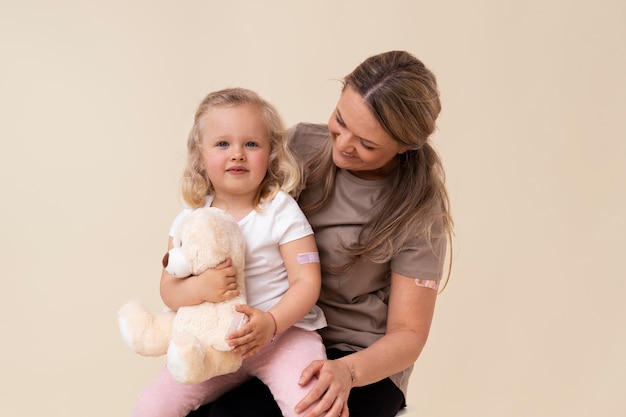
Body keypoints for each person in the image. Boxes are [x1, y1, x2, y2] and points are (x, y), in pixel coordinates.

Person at [188, 50, 454, 417]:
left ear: (405, 146)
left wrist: (347, 372)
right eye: (340, 121)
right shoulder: (299, 148)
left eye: (367, 143)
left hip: (357, 359)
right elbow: (233, 209)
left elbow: (408, 334)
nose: (344, 144)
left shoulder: (420, 213)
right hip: (275, 332)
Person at [130, 87, 328, 417]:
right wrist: (199, 288)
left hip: (284, 338)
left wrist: (272, 322)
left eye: (251, 144)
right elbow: (168, 290)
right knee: (151, 407)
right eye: (223, 144)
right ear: (200, 155)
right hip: (213, 344)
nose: (237, 154)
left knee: (311, 406)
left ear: (271, 153)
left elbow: (307, 281)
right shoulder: (189, 219)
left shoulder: (280, 210)